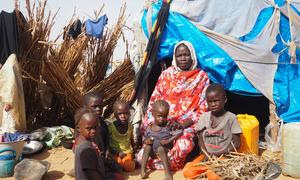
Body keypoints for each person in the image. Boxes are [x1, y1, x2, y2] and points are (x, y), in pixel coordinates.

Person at [138, 41, 210, 170]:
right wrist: (155, 124)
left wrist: (183, 124)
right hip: (162, 121)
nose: (183, 58)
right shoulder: (166, 75)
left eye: (186, 55)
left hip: (186, 125)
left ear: (192, 56)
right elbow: (154, 102)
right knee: (141, 156)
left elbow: (203, 109)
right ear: (174, 57)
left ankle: (167, 163)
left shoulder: (201, 77)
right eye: (179, 55)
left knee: (183, 145)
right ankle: (164, 163)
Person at [74, 107, 123, 180]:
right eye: (89, 128)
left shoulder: (84, 141)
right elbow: (92, 174)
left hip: (98, 173)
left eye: (95, 127)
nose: (93, 131)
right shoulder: (86, 150)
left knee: (118, 176)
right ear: (78, 128)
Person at [195, 83, 242, 158]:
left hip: (225, 157)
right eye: (210, 102)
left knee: (213, 170)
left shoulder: (231, 118)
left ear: (225, 99)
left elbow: (237, 144)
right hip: (207, 156)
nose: (213, 104)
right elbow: (200, 140)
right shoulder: (204, 117)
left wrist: (218, 154)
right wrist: (206, 154)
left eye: (216, 101)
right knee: (189, 168)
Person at [141, 100, 182, 180]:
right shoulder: (149, 128)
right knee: (147, 147)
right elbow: (144, 138)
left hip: (165, 151)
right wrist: (146, 140)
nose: (162, 119)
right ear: (153, 114)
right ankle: (143, 171)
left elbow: (179, 133)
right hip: (153, 153)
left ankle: (167, 173)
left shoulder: (168, 126)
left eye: (164, 116)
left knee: (160, 149)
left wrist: (168, 141)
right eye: (159, 116)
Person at [108, 100, 136, 172]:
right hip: (115, 153)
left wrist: (134, 151)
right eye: (120, 114)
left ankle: (134, 162)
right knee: (118, 164)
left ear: (129, 113)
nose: (123, 116)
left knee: (129, 167)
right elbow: (107, 143)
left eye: (125, 113)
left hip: (127, 152)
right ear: (115, 115)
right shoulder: (111, 127)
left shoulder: (130, 126)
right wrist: (116, 153)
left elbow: (131, 139)